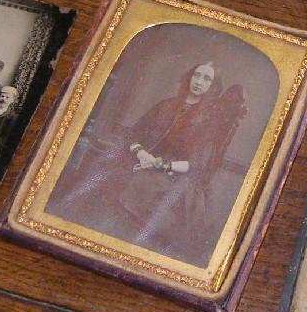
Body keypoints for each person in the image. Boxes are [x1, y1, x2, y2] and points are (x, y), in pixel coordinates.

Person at [49, 61, 245, 267]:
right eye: (197, 75)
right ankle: (73, 233)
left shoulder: (209, 121)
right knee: (106, 168)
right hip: (141, 159)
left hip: (173, 173)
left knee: (142, 187)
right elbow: (135, 133)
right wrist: (141, 153)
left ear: (213, 87)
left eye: (207, 79)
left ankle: (120, 253)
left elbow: (196, 165)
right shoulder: (167, 105)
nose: (199, 82)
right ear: (189, 77)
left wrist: (159, 165)